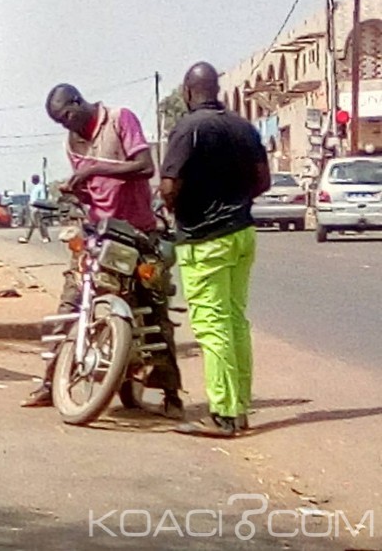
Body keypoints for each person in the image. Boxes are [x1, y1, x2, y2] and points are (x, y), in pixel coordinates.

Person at [22, 83, 183, 416]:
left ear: (78, 102)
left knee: (154, 309)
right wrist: (76, 190)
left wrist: (93, 169)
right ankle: (51, 381)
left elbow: (144, 166)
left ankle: (171, 393)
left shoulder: (119, 119)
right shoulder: (72, 141)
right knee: (71, 300)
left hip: (138, 233)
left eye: (67, 115)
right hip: (98, 233)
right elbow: (93, 192)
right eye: (60, 121)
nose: (67, 125)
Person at [161, 62, 270, 438]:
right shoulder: (244, 128)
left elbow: (169, 186)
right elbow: (263, 181)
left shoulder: (187, 129)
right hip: (242, 233)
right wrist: (233, 201)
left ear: (188, 92)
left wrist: (180, 208)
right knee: (236, 321)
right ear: (217, 89)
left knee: (212, 325)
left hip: (204, 239)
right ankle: (239, 408)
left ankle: (224, 413)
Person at [18, 174, 51, 244]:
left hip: (37, 207)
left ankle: (45, 237)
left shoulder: (41, 187)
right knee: (31, 224)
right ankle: (27, 238)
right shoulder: (34, 188)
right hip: (32, 207)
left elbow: (42, 198)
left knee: (40, 223)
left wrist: (37, 205)